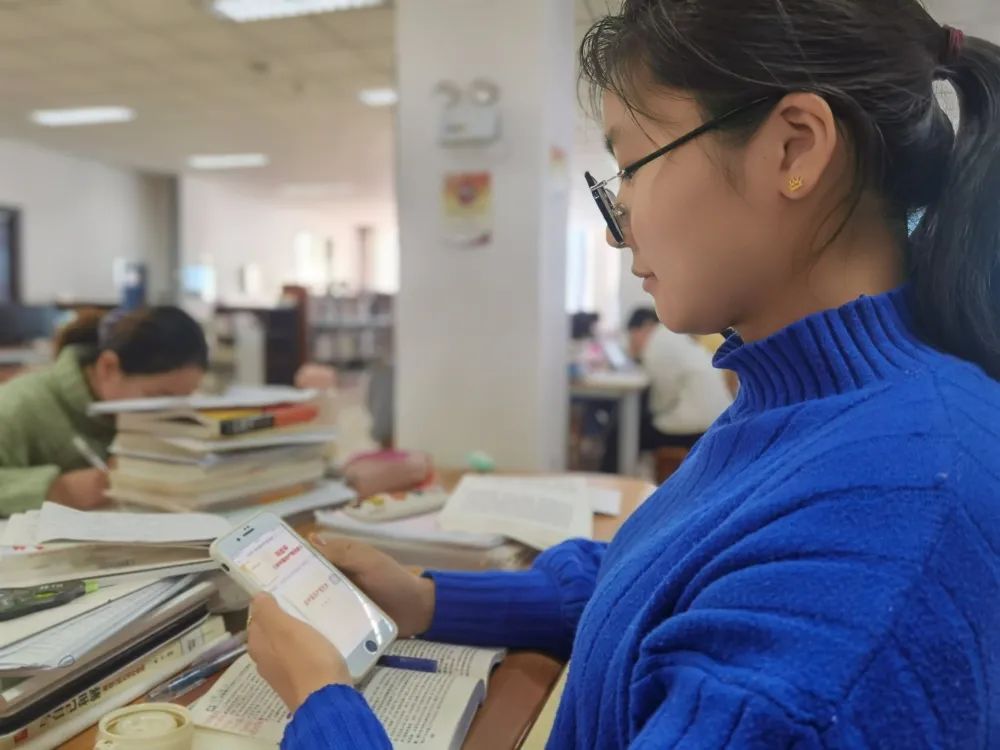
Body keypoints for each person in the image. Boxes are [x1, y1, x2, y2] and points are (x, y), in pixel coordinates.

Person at [249, 2, 1000, 746]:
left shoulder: (889, 529)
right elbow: (670, 578)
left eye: (632, 167)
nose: (618, 226)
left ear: (794, 149)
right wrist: (425, 600)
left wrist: (321, 700)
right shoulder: (814, 405)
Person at [0, 306, 208, 516]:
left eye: (184, 398)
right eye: (157, 397)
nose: (170, 412)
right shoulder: (17, 404)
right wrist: (57, 489)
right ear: (108, 367)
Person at [626, 306, 733, 450]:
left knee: (629, 428)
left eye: (632, 336)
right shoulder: (671, 336)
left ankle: (616, 463)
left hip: (696, 427)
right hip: (718, 419)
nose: (631, 342)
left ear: (645, 327)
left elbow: (663, 399)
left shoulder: (656, 344)